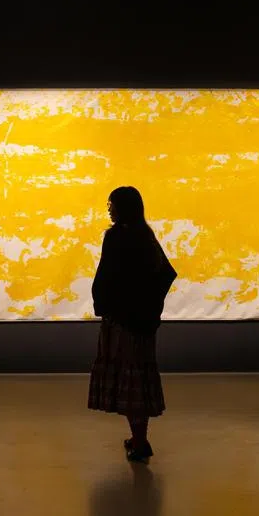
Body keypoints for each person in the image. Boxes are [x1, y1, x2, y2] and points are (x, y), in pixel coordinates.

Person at [88, 186, 177, 462]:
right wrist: (149, 308)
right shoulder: (145, 236)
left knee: (129, 380)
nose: (109, 209)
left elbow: (107, 277)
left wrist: (109, 305)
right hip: (142, 323)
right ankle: (139, 438)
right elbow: (166, 274)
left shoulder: (116, 237)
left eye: (112, 204)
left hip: (122, 322)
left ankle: (140, 442)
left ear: (123, 207)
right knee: (138, 379)